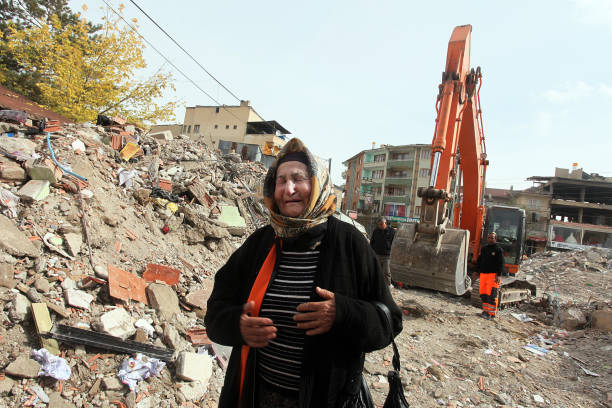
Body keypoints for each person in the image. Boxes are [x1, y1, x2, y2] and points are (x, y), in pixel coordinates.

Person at [205, 138, 402, 408]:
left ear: (318, 185)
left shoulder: (350, 244)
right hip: (256, 396)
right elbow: (216, 311)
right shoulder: (260, 243)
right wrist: (237, 326)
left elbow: (390, 321)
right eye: (281, 180)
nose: (289, 189)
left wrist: (343, 313)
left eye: (299, 179)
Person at [477, 232, 505, 319]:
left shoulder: (498, 249)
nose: (490, 239)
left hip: (493, 275)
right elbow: (480, 260)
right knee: (483, 294)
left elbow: (501, 263)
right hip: (483, 275)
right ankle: (485, 311)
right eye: (489, 237)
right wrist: (476, 271)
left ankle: (492, 314)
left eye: (492, 238)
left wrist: (499, 275)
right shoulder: (484, 249)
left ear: (495, 239)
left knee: (492, 295)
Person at [369, 216, 396, 287]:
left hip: (387, 255)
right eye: (379, 224)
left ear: (385, 223)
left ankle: (387, 285)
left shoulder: (391, 231)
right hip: (377, 254)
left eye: (381, 224)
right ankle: (376, 284)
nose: (380, 226)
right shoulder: (376, 231)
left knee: (386, 271)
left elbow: (394, 243)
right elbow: (372, 242)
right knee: (377, 271)